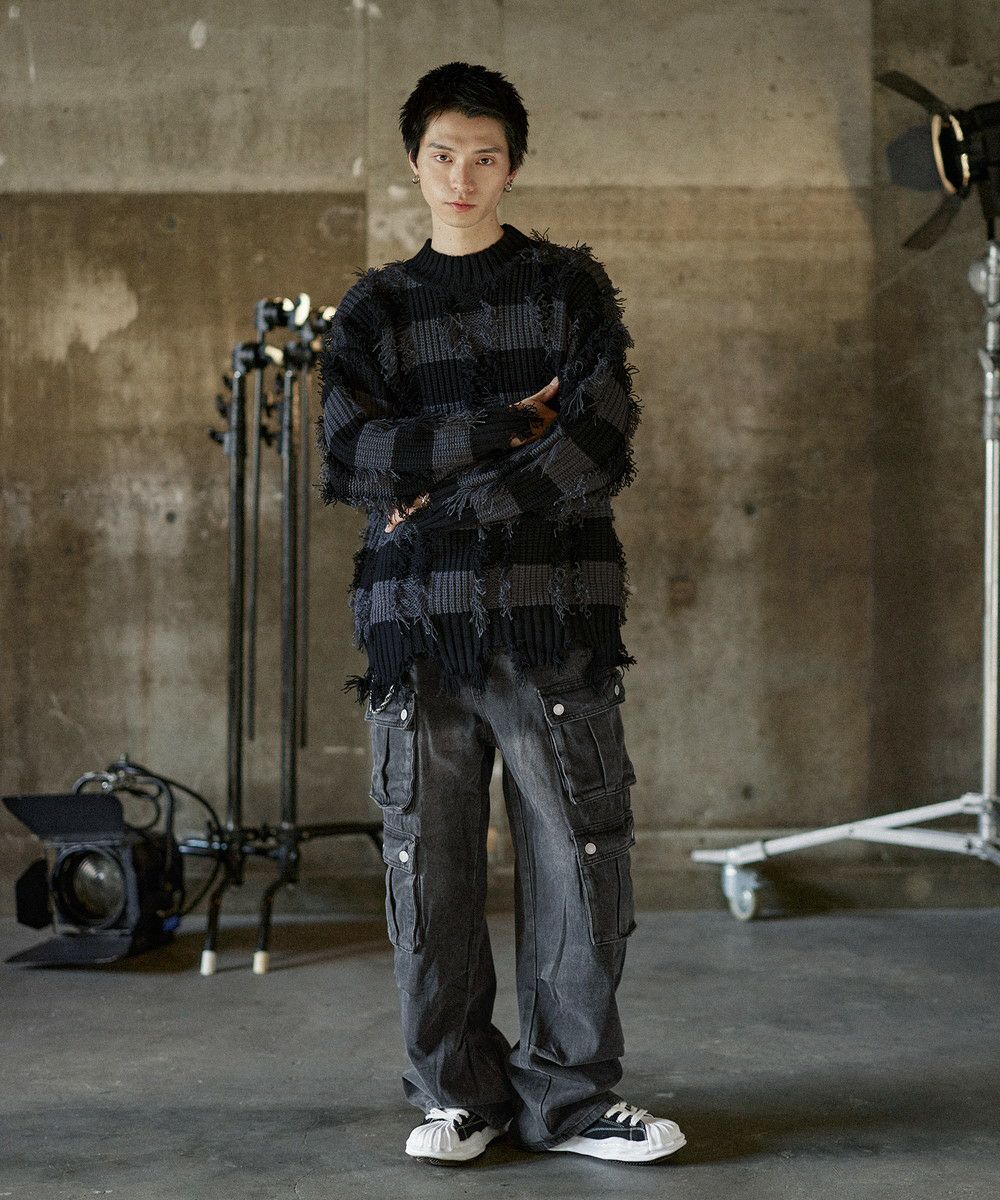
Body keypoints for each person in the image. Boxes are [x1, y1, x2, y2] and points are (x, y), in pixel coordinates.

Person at [315, 60, 686, 1166]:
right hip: (415, 629)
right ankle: (460, 1096)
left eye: (484, 157)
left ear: (512, 166)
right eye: (443, 156)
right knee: (425, 868)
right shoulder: (375, 310)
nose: (462, 178)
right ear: (414, 163)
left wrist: (435, 501)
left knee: (579, 858)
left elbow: (595, 443)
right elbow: (351, 453)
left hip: (548, 619)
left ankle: (568, 1100)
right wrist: (496, 428)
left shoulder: (566, 289)